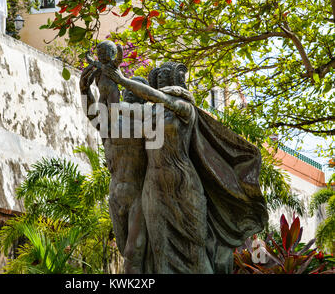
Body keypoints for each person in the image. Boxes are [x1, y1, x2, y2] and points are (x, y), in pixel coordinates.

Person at [101, 62, 268, 273]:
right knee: (159, 249)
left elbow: (162, 98)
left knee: (194, 248)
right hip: (153, 187)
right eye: (158, 75)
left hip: (182, 181)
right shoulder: (149, 112)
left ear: (176, 78)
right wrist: (100, 83)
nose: (161, 78)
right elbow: (110, 115)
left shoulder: (185, 108)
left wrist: (123, 80)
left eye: (166, 75)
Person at [80, 65, 150, 273]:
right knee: (124, 249)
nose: (127, 95)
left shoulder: (148, 124)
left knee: (133, 252)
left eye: (133, 92)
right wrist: (85, 90)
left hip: (139, 195)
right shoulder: (112, 123)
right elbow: (94, 115)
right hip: (116, 195)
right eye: (127, 92)